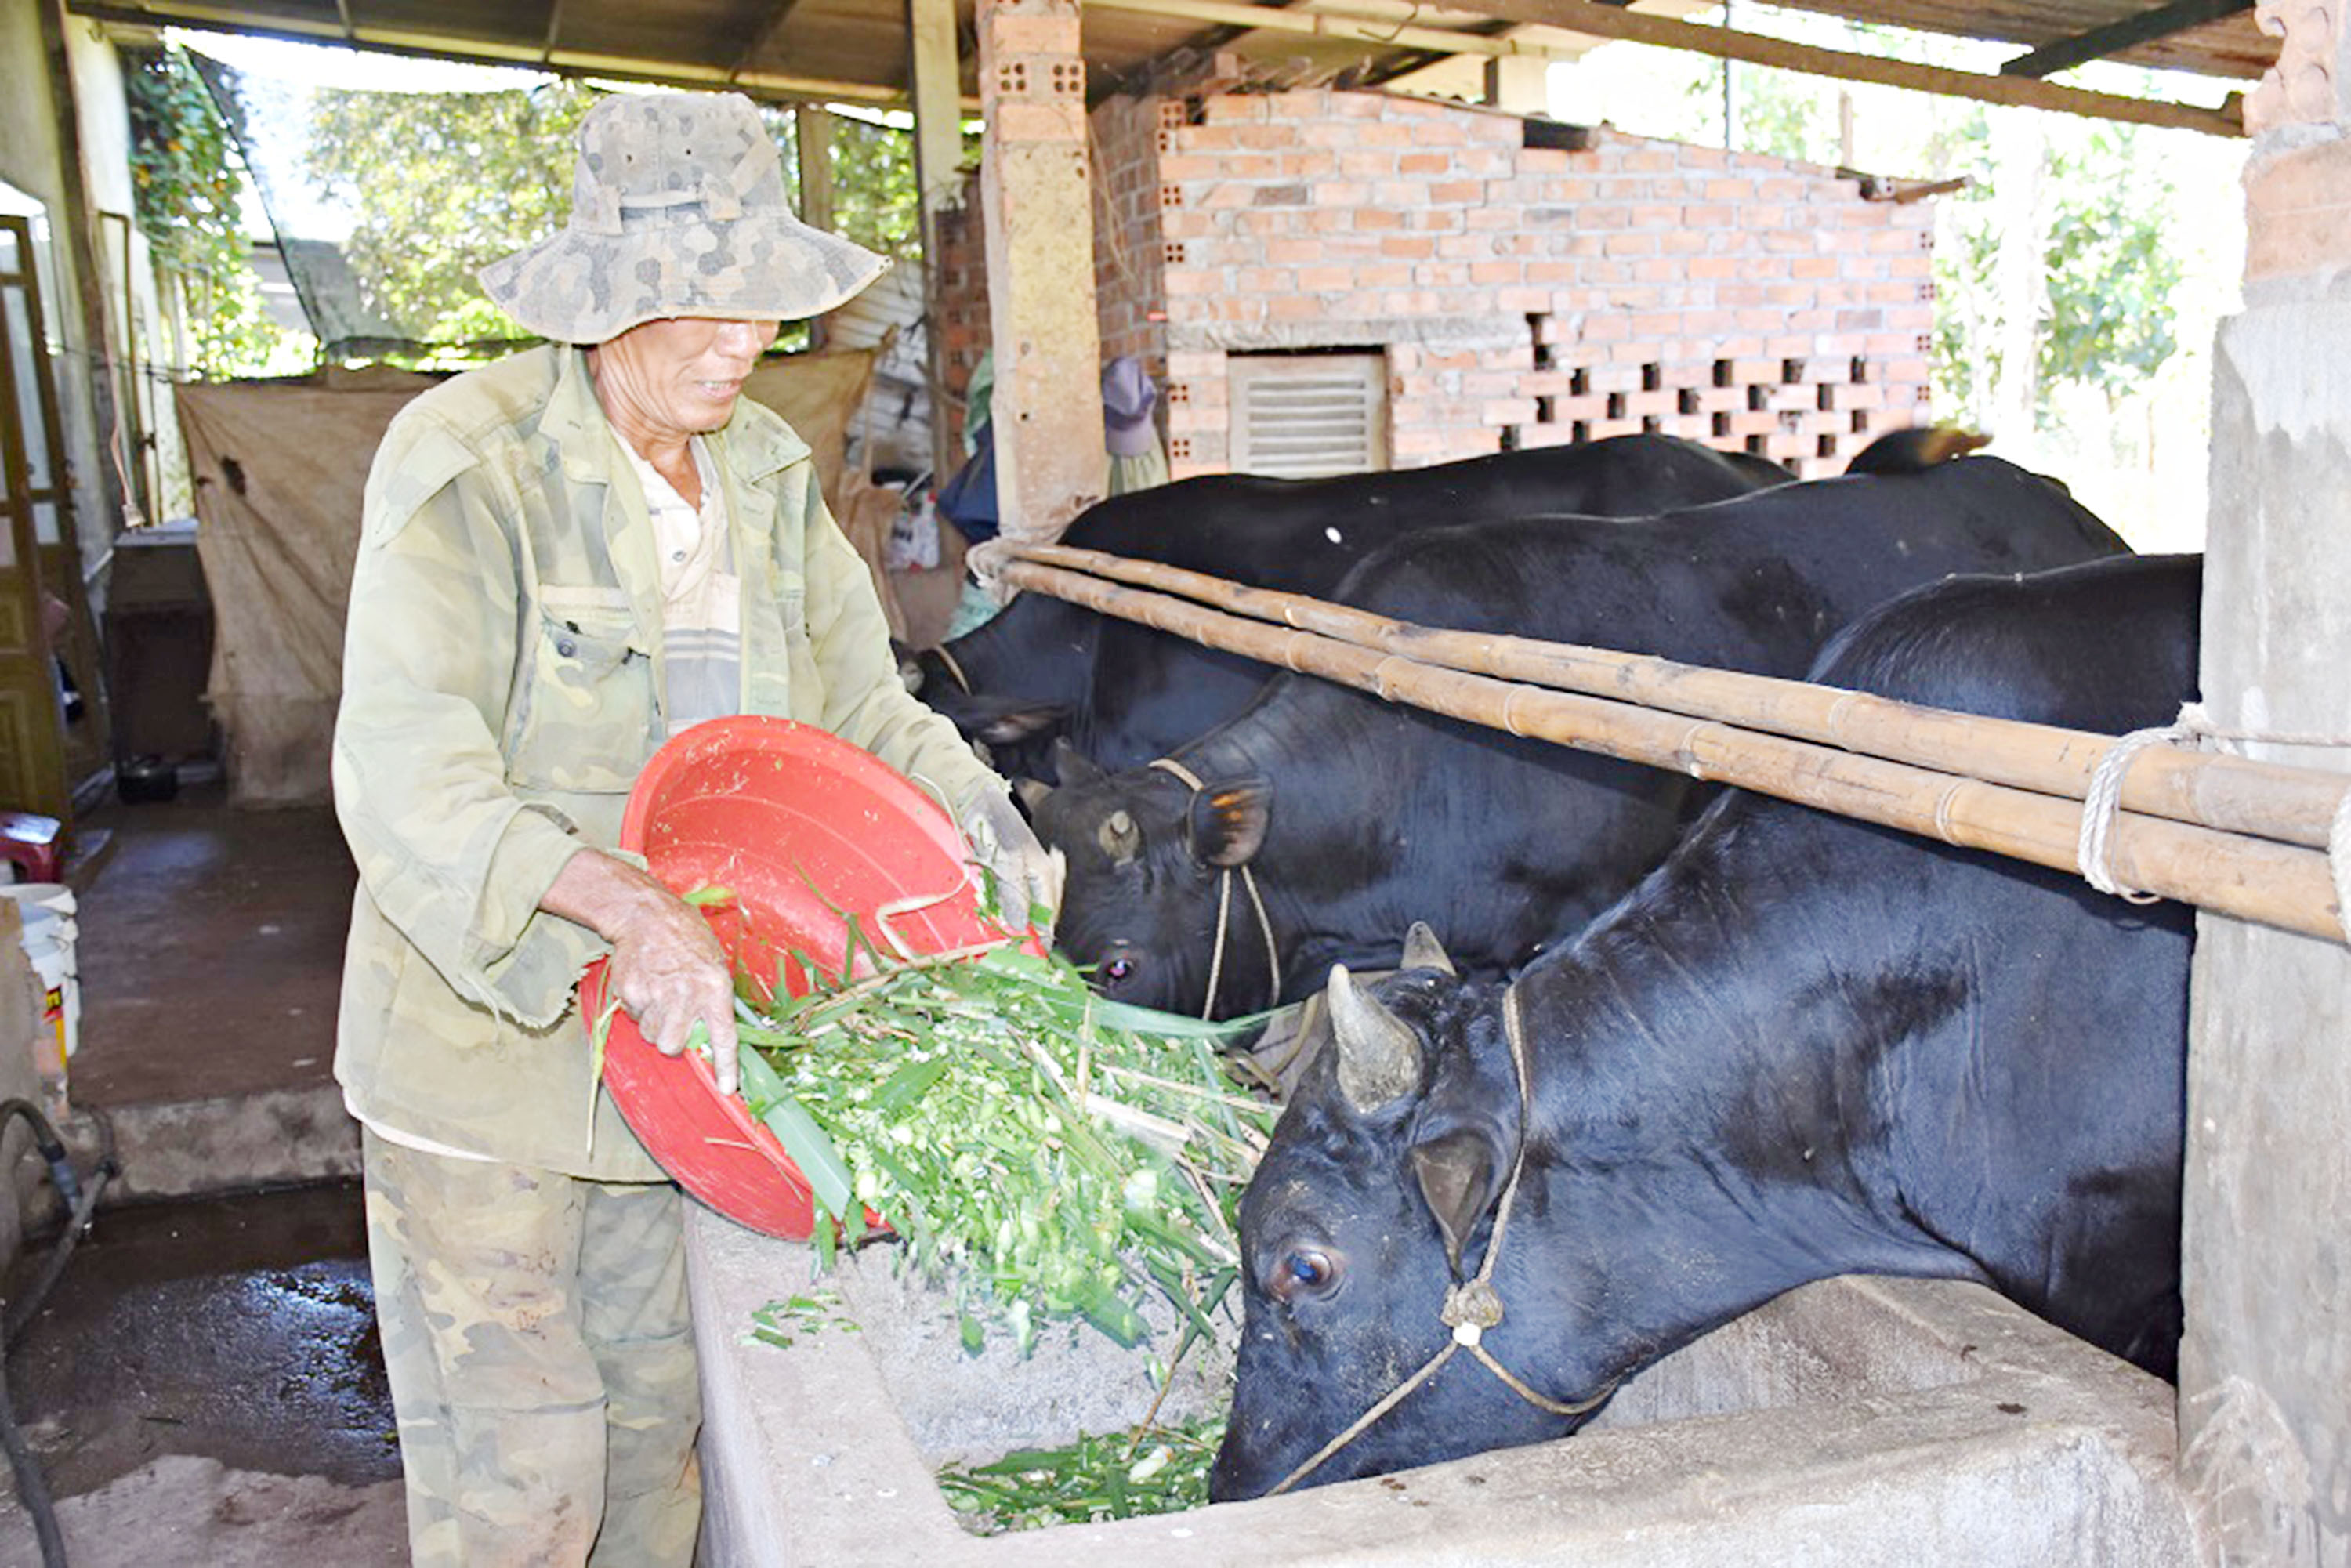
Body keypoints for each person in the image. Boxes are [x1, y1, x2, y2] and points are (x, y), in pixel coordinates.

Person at [331, 90, 1058, 1566]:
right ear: (610, 304)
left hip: (668, 1068)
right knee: (524, 1488)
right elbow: (408, 763)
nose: (746, 343)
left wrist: (981, 808)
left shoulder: (769, 481)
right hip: (488, 1067)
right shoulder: (473, 464)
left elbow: (866, 710)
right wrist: (625, 900)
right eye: (710, 308)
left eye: (763, 311)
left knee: (656, 1443)